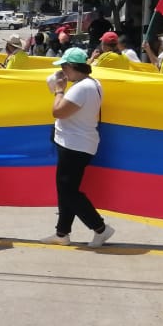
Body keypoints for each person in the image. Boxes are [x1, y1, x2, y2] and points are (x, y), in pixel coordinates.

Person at [45, 47, 115, 247]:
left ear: (71, 67)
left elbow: (58, 111)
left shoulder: (81, 88)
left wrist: (59, 90)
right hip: (79, 143)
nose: (63, 72)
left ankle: (100, 228)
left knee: (68, 191)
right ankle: (62, 233)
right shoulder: (92, 84)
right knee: (66, 190)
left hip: (74, 145)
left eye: (64, 68)